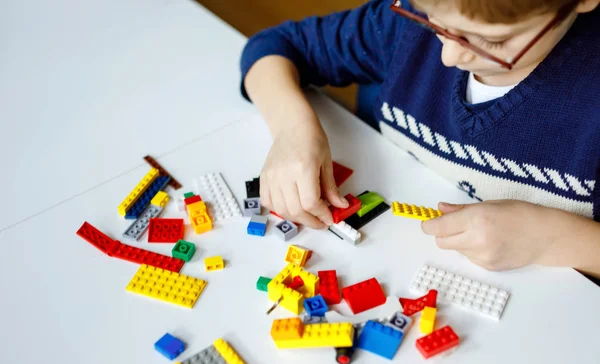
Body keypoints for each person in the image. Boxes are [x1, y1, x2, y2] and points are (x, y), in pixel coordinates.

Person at [239, 0, 600, 275]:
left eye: (493, 41)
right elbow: (274, 47)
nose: (449, 55)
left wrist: (553, 239)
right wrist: (293, 129)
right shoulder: (404, 24)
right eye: (435, 25)